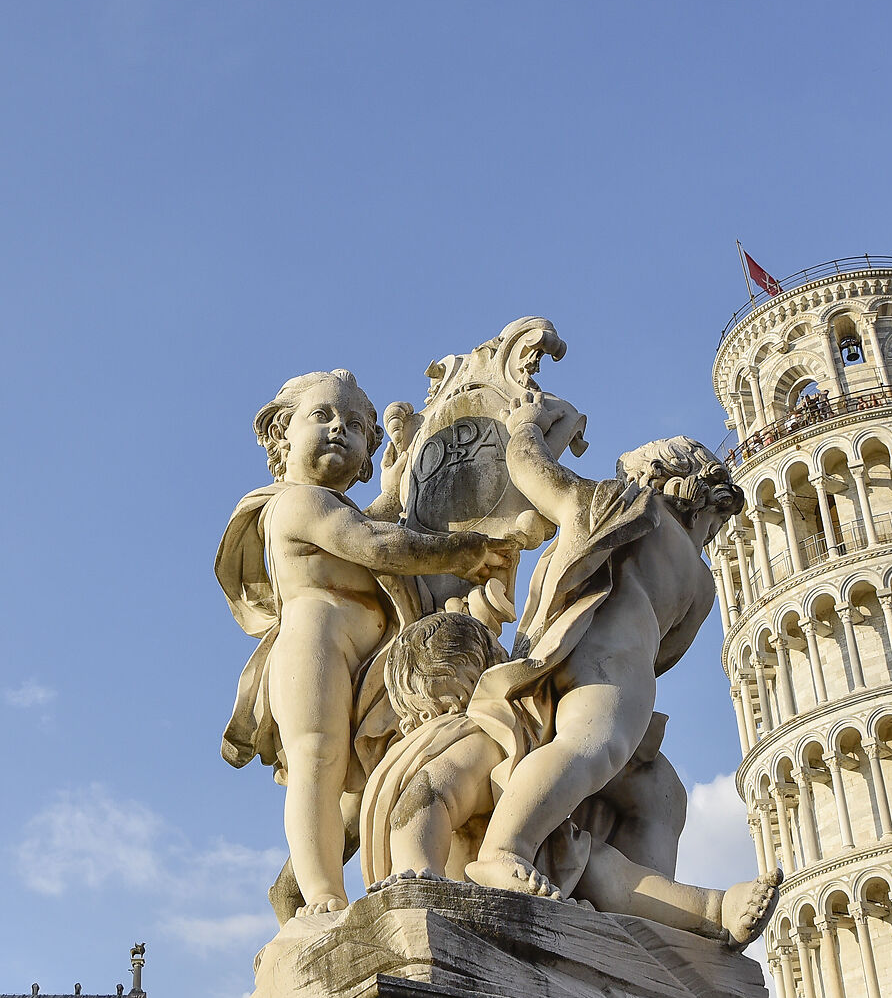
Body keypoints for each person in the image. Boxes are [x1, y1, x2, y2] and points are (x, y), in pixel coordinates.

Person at [217, 370, 517, 917]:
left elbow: (371, 522)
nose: (340, 430)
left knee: (360, 788)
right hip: (316, 644)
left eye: (355, 425)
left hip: (371, 665)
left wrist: (398, 482)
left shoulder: (336, 507)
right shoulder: (296, 504)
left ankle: (302, 889)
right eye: (323, 416)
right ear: (282, 434)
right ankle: (322, 895)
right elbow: (373, 542)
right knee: (318, 759)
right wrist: (462, 554)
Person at [462, 391, 747, 902]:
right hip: (619, 668)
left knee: (659, 791)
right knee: (591, 748)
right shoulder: (696, 575)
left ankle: (642, 902)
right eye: (716, 520)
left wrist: (528, 427)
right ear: (699, 499)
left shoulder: (612, 509)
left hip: (561, 648)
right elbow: (667, 652)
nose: (712, 532)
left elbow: (534, 473)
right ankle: (505, 849)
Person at [357, 610, 776, 947]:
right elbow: (427, 797)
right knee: (613, 876)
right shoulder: (477, 738)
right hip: (473, 882)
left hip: (544, 861)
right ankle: (711, 909)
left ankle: (713, 910)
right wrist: (418, 872)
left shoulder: (500, 738)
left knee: (608, 871)